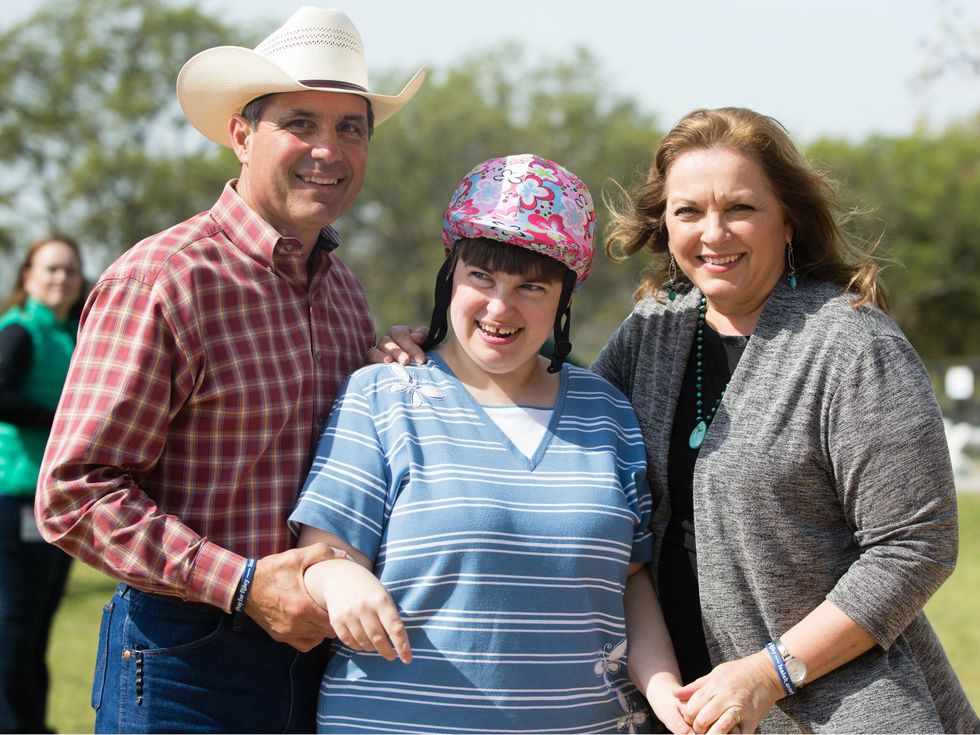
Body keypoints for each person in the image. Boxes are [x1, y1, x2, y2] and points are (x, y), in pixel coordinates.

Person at [376, 108, 980, 734]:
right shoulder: (656, 329)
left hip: (837, 712)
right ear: (664, 225)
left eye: (740, 208)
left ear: (789, 220)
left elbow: (917, 546)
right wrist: (434, 357)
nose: (713, 233)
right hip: (677, 709)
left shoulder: (852, 345)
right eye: (689, 211)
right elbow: (549, 411)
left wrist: (768, 673)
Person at [35, 7, 424, 733]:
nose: (328, 150)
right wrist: (244, 584)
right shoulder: (164, 279)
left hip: (322, 653)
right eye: (300, 123)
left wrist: (391, 369)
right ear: (241, 135)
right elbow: (74, 494)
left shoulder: (341, 290)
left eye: (351, 128)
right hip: (189, 655)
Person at [290, 153, 690, 734]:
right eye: (482, 277)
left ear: (564, 298)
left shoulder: (607, 411)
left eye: (531, 286)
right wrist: (337, 578)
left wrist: (667, 694)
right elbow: (321, 558)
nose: (500, 308)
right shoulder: (382, 395)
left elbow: (628, 582)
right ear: (450, 275)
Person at [0, 236, 85, 734]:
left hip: (53, 504)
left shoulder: (69, 332)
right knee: (13, 626)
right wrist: (60, 421)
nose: (61, 279)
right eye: (51, 270)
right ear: (28, 276)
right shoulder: (20, 331)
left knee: (35, 628)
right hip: (13, 502)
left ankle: (32, 724)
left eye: (69, 271)